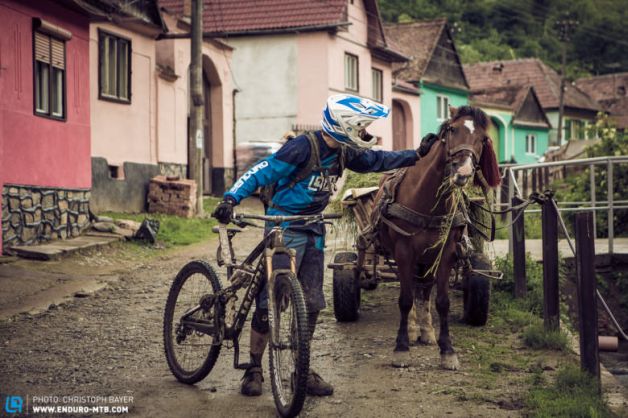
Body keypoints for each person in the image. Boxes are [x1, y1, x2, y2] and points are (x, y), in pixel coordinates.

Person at [213, 94, 438, 397]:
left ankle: (300, 370)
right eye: (361, 127)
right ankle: (253, 368)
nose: (364, 132)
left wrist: (416, 154)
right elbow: (263, 169)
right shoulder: (303, 147)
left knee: (312, 303)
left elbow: (378, 160)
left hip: (314, 228)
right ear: (346, 126)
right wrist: (230, 198)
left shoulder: (346, 152)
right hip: (284, 225)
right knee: (270, 302)